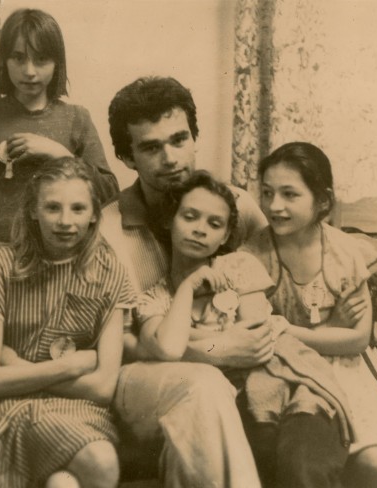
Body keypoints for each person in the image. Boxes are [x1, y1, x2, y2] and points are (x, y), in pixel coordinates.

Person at [136, 171, 360, 488]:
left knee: (300, 464)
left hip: (290, 381)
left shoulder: (238, 267)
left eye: (215, 224)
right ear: (168, 221)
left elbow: (255, 340)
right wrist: (189, 288)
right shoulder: (155, 299)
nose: (200, 229)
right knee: (252, 460)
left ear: (225, 236)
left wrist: (198, 345)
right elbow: (168, 349)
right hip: (233, 402)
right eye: (189, 216)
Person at [100, 76, 269, 487]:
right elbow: (119, 344)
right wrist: (214, 349)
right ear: (126, 157)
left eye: (179, 140)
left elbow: (267, 302)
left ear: (194, 138)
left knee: (209, 398)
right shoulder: (108, 230)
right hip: (139, 383)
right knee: (202, 384)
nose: (170, 159)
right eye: (150, 147)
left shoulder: (236, 206)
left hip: (225, 386)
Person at [242, 142, 377, 488]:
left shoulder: (345, 252)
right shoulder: (255, 254)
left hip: (348, 370)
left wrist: (286, 328)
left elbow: (357, 339)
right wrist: (331, 327)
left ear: (323, 201)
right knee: (287, 453)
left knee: (373, 461)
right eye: (267, 193)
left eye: (289, 194)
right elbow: (259, 333)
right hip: (283, 371)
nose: (274, 205)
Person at [0, 157, 135, 488]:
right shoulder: (0, 266)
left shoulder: (112, 274)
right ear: (33, 211)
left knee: (64, 483)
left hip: (82, 411)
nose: (65, 221)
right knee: (101, 463)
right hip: (13, 409)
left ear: (94, 214)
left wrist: (16, 366)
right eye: (52, 208)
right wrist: (72, 366)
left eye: (78, 209)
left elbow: (102, 388)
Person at [0, 8, 118, 257]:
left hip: (61, 257)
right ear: (4, 61)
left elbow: (109, 193)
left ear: (57, 63)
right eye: (18, 58)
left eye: (41, 59)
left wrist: (60, 154)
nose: (29, 71)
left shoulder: (76, 118)